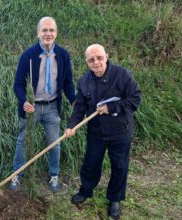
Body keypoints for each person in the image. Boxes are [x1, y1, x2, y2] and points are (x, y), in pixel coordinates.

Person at [65, 44, 141, 219]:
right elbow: (79, 108)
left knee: (120, 166)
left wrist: (112, 107)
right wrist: (71, 125)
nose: (96, 62)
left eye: (99, 57)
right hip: (96, 132)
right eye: (91, 59)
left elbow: (135, 99)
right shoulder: (84, 81)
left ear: (106, 56)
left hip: (120, 131)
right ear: (87, 62)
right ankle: (86, 189)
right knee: (91, 163)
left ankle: (115, 198)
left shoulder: (122, 75)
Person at [11, 16, 76, 192]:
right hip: (32, 108)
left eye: (51, 30)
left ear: (56, 33)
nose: (48, 33)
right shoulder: (28, 55)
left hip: (52, 107)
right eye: (44, 30)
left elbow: (68, 82)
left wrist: (74, 100)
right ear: (38, 33)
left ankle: (54, 174)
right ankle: (17, 174)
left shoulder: (63, 55)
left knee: (54, 143)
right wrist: (24, 101)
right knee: (23, 141)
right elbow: (17, 84)